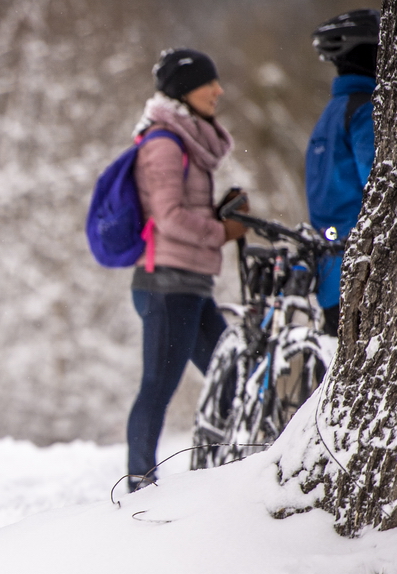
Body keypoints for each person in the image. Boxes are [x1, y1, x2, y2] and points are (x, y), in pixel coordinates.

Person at [126, 49, 247, 492]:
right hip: (165, 285)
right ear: (183, 89)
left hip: (191, 285)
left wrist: (220, 216)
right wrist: (222, 229)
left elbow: (182, 211)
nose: (218, 91)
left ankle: (226, 469)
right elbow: (170, 217)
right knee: (158, 386)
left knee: (232, 374)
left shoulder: (188, 143)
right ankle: (139, 484)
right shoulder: (163, 143)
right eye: (207, 83)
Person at [306, 9, 379, 337]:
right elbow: (378, 182)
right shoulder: (364, 111)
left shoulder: (331, 114)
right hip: (362, 270)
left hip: (329, 273)